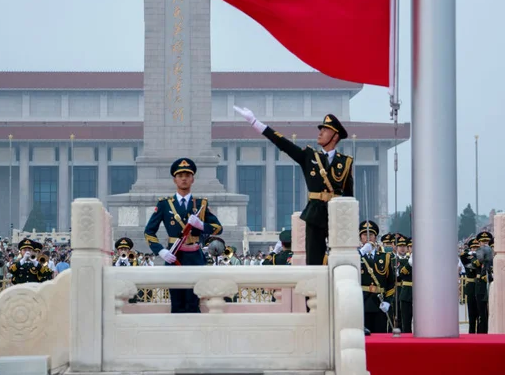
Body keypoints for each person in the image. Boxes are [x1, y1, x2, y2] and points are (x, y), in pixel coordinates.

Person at [233, 106, 354, 265]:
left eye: (325, 130)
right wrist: (255, 122)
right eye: (321, 129)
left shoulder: (345, 162)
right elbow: (283, 143)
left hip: (336, 214)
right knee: (314, 261)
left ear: (335, 135)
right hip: (315, 213)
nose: (320, 132)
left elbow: (349, 196)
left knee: (341, 259)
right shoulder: (310, 156)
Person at [144, 158, 223, 313]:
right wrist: (161, 251)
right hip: (175, 256)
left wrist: (201, 226)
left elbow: (218, 228)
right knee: (177, 302)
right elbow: (149, 232)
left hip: (195, 257)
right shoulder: (165, 204)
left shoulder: (201, 204)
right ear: (175, 179)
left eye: (188, 175)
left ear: (193, 179)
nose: (184, 178)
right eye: (180, 175)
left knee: (194, 303)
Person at [359, 220, 395, 334]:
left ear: (376, 238)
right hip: (362, 302)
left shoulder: (385, 257)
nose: (368, 238)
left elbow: (391, 282)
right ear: (360, 238)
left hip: (379, 302)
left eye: (371, 235)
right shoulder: (355, 256)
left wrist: (388, 301)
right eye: (365, 235)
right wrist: (361, 252)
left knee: (380, 335)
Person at [472, 231, 493, 333]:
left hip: (492, 284)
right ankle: (482, 332)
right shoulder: (476, 255)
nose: (485, 244)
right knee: (482, 312)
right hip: (481, 286)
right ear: (479, 243)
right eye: (482, 242)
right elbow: (474, 264)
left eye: (487, 242)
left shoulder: (493, 256)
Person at [460, 238, 481, 333]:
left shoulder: (481, 257)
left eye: (477, 247)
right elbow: (462, 256)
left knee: (480, 313)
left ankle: (480, 333)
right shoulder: (468, 257)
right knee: (471, 313)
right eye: (473, 248)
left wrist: (477, 254)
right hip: (471, 286)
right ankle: (471, 332)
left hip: (480, 286)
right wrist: (471, 253)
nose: (475, 249)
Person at [394, 234, 413, 333]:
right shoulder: (401, 260)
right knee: (406, 321)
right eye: (410, 247)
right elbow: (400, 273)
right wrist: (409, 264)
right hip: (406, 292)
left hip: (421, 292)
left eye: (404, 246)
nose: (403, 248)